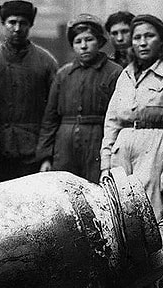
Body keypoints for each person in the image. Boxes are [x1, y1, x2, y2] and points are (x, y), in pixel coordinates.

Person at [99, 14, 163, 221]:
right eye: (137, 37)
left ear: (161, 40)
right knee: (120, 214)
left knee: (152, 214)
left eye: (149, 36)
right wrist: (105, 164)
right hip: (122, 148)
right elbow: (112, 121)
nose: (142, 43)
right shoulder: (126, 74)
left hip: (155, 149)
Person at [36, 14, 122, 183]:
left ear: (99, 42)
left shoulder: (115, 72)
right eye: (77, 41)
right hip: (65, 146)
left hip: (98, 142)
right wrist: (46, 157)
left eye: (89, 39)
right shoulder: (63, 74)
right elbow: (50, 119)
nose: (83, 46)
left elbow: (119, 118)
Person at [0, 0, 58, 182]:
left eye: (23, 23)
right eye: (12, 22)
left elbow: (53, 112)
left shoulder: (46, 62)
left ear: (30, 25)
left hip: (32, 154)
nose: (17, 28)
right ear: (3, 24)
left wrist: (46, 154)